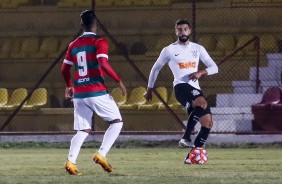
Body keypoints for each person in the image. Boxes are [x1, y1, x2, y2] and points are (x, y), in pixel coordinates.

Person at [61, 10, 127, 175]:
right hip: (96, 91)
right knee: (116, 122)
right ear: (96, 24)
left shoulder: (73, 44)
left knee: (82, 130)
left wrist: (69, 85)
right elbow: (103, 63)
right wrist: (119, 80)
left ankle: (71, 162)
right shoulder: (100, 41)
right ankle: (101, 154)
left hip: (79, 94)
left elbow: (64, 69)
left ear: (81, 25)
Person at [144, 19, 218, 164]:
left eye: (185, 29)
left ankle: (191, 157)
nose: (182, 32)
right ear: (176, 31)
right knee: (202, 103)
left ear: (189, 31)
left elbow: (214, 67)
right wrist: (149, 88)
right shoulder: (169, 50)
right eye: (179, 29)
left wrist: (201, 72)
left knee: (207, 123)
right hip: (181, 86)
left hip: (195, 88)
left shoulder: (198, 48)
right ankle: (186, 137)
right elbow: (156, 68)